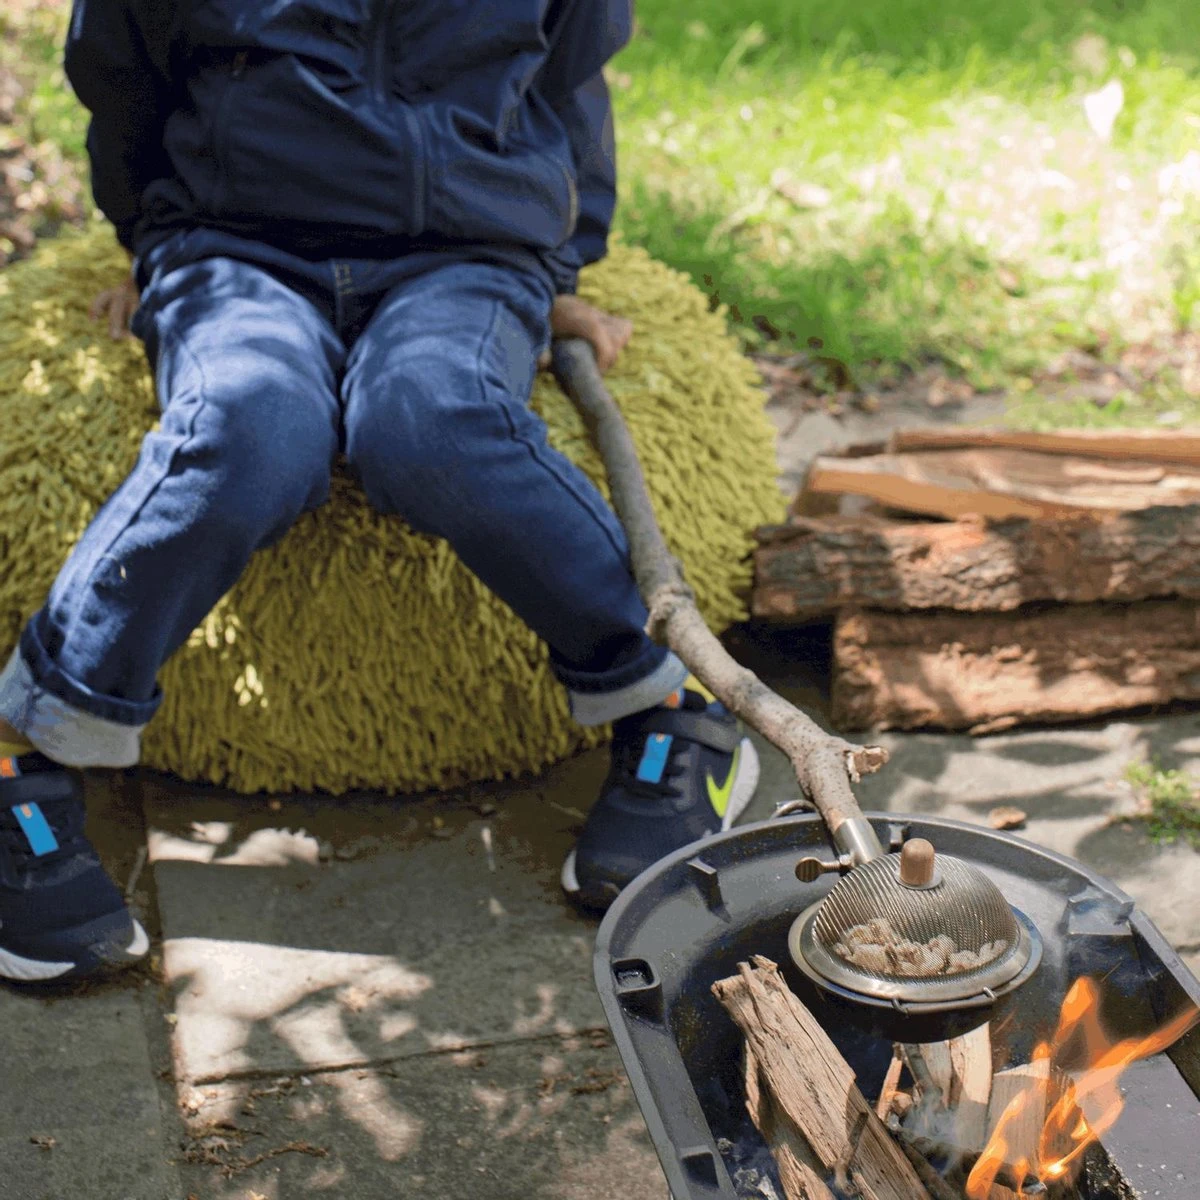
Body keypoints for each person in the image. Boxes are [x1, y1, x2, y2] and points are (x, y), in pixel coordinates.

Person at [0, 0, 760, 982]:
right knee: (246, 430)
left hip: (468, 252)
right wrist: (147, 238)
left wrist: (562, 266)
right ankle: (28, 742)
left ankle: (670, 706)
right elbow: (121, 75)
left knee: (434, 421)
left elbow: (570, 84)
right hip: (234, 246)